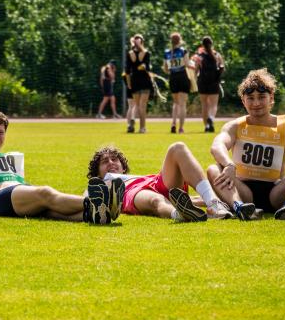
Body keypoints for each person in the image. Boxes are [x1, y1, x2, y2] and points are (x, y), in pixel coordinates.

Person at [0, 107, 118, 222]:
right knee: (45, 193)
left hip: (18, 193)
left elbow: (19, 184)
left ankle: (95, 215)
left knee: (49, 211)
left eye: (0, 133)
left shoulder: (11, 157)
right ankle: (99, 202)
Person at [207, 69, 285, 220]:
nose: (256, 103)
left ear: (271, 98)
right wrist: (229, 165)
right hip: (242, 191)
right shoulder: (235, 126)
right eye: (250, 98)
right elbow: (217, 146)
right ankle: (240, 207)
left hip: (276, 193)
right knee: (213, 169)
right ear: (243, 100)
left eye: (262, 97)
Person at [86, 142, 235, 221]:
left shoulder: (135, 177)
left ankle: (214, 204)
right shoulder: (102, 184)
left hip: (155, 181)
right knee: (155, 200)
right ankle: (180, 214)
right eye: (105, 162)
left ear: (123, 167)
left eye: (114, 159)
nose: (111, 162)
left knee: (177, 148)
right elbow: (88, 199)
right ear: (97, 173)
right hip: (130, 192)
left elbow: (191, 199)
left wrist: (224, 201)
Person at [124, 34, 153, 134]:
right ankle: (142, 128)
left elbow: (127, 71)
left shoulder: (130, 54)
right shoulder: (146, 53)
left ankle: (132, 120)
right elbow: (148, 68)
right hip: (145, 81)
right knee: (142, 106)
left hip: (134, 81)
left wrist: (129, 84)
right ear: (142, 42)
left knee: (136, 104)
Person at [164, 32, 193, 133]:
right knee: (182, 104)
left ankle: (173, 123)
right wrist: (195, 65)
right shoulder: (183, 51)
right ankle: (181, 128)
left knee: (175, 103)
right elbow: (187, 64)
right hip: (183, 77)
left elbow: (166, 69)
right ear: (180, 40)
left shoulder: (167, 53)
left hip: (173, 78)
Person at [195, 36, 224, 133]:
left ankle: (206, 126)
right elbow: (222, 67)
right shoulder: (217, 55)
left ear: (202, 45)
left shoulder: (199, 56)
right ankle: (211, 118)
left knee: (204, 105)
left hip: (202, 82)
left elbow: (196, 70)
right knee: (213, 104)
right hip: (214, 82)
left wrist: (195, 80)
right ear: (211, 44)